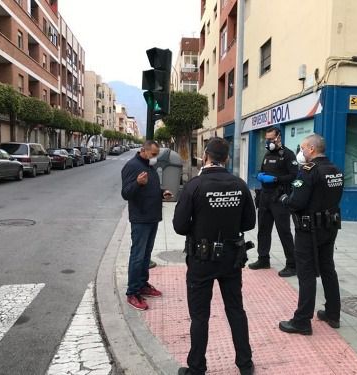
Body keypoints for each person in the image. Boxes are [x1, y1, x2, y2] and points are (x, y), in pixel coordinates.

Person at [173, 137, 256, 375]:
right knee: (236, 310)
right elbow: (249, 222)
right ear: (227, 158)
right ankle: (245, 365)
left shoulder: (194, 186)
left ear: (205, 156)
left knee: (200, 316)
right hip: (231, 257)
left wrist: (199, 229)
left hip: (201, 258)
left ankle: (197, 368)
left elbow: (179, 225)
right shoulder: (239, 184)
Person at [278, 134, 344, 335]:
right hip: (329, 227)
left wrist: (283, 199)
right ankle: (333, 314)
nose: (301, 152)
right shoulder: (335, 170)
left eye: (303, 148)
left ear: (312, 149)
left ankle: (302, 321)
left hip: (309, 230)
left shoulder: (309, 171)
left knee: (306, 273)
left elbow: (297, 202)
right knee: (327, 268)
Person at [121, 140, 172, 310]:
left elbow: (151, 188)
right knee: (137, 255)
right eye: (154, 154)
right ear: (143, 150)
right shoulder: (132, 166)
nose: (155, 158)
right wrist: (137, 183)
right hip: (141, 219)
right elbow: (126, 193)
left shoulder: (149, 166)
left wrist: (162, 192)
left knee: (145, 255)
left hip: (152, 217)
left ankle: (142, 284)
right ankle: (132, 292)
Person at [249, 127, 298, 277]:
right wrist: (260, 175)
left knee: (284, 231)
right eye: (267, 139)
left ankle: (292, 264)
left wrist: (276, 179)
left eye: (271, 139)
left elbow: (294, 176)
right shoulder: (267, 154)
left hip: (280, 198)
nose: (268, 141)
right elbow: (263, 170)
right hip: (265, 197)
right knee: (263, 230)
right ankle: (263, 259)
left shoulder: (288, 155)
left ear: (278, 138)